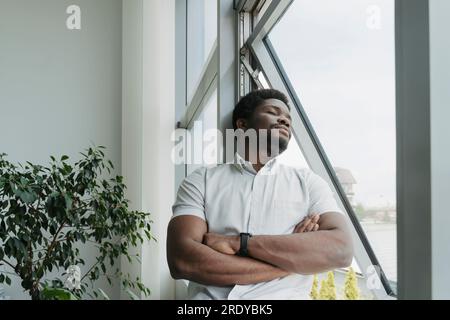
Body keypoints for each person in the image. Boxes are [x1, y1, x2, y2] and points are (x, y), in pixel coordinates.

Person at [167, 89, 353, 300]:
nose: (283, 119)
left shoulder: (309, 182)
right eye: (273, 112)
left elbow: (342, 249)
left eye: (288, 119)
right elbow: (182, 261)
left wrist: (238, 243)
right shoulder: (201, 180)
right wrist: (294, 262)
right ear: (242, 124)